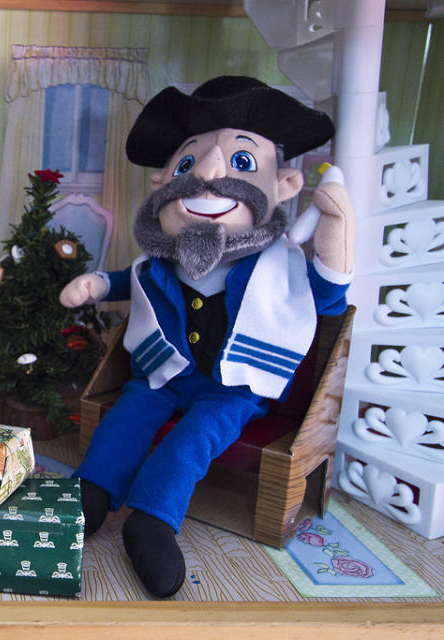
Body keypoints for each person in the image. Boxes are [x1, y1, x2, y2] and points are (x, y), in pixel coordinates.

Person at [59, 76, 355, 597]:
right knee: (129, 413)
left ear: (284, 186)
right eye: (189, 165)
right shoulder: (162, 261)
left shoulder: (279, 265)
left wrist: (335, 229)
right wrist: (98, 284)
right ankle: (91, 492)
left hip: (235, 385)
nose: (209, 177)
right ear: (162, 183)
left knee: (193, 439)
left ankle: (151, 519)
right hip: (165, 371)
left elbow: (326, 300)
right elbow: (135, 280)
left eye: (242, 163)